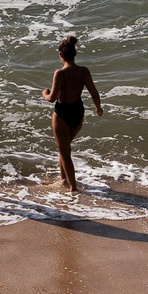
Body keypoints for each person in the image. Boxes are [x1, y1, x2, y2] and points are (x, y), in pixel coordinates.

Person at [42, 34, 103, 194]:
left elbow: (52, 98)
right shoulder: (84, 71)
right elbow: (94, 92)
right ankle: (63, 180)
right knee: (64, 148)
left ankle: (73, 188)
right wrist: (98, 107)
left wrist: (44, 93)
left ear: (61, 55)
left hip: (62, 113)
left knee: (64, 151)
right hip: (78, 111)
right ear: (74, 54)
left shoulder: (60, 73)